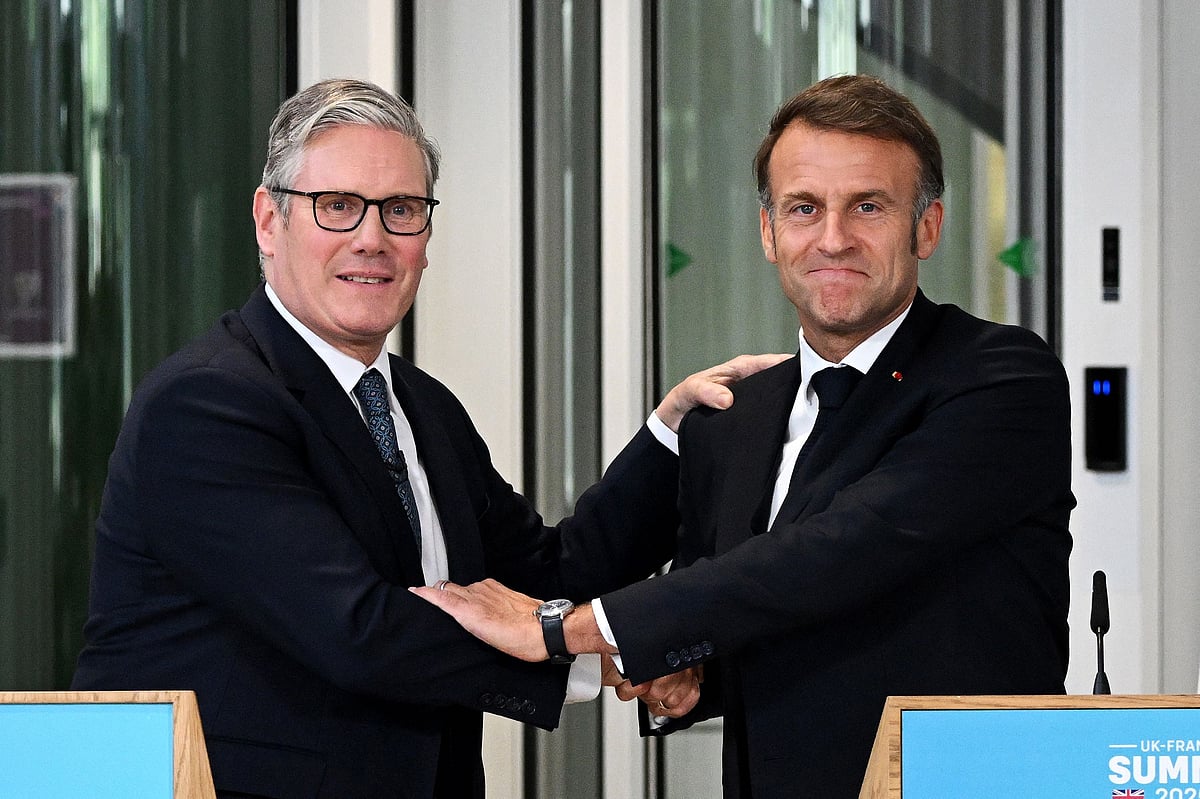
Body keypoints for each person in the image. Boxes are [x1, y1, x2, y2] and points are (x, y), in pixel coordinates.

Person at [70, 78, 781, 799]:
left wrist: (676, 435)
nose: (372, 238)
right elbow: (359, 631)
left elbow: (549, 573)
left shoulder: (419, 405)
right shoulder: (206, 404)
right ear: (267, 220)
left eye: (401, 210)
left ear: (426, 238)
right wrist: (590, 652)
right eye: (337, 206)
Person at [414, 74, 1075, 798]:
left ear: (927, 225)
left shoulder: (1002, 378)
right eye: (803, 207)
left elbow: (833, 554)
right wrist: (694, 676)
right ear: (768, 231)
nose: (833, 237)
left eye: (868, 205)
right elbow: (755, 616)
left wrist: (561, 629)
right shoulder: (734, 417)